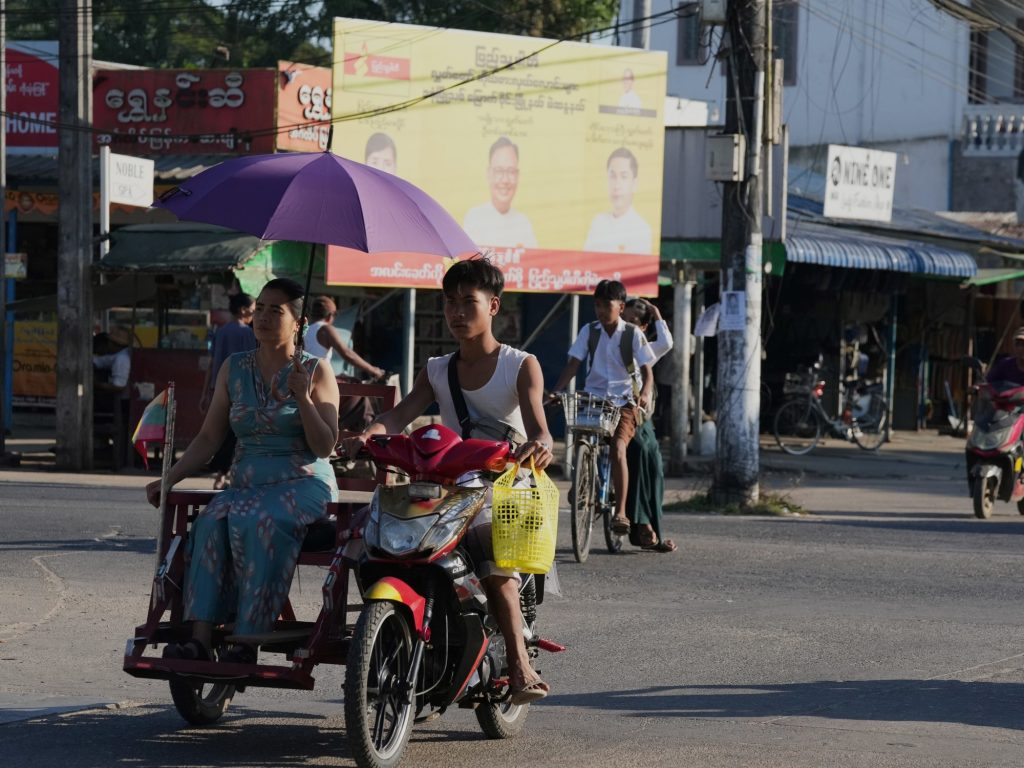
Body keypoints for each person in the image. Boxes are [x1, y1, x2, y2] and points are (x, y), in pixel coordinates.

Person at [341, 257, 554, 705]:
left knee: (495, 568)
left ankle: (519, 664)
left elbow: (539, 429)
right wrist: (369, 435)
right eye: (450, 303)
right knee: (373, 542)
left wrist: (539, 445)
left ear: (493, 306)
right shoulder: (437, 369)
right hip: (448, 485)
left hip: (504, 485)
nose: (456, 312)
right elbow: (397, 416)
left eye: (468, 302)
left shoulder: (521, 365)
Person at [147, 278, 340, 664]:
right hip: (247, 484)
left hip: (303, 483)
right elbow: (208, 438)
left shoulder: (316, 372)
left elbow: (325, 446)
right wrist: (169, 478)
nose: (264, 317)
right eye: (261, 308)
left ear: (299, 321)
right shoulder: (233, 369)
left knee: (260, 519)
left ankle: (247, 640)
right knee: (209, 522)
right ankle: (200, 637)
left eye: (277, 310)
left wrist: (302, 397)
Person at [550, 279, 655, 536]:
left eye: (606, 305)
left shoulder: (632, 334)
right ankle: (583, 479)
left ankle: (620, 512)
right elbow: (573, 364)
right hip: (594, 399)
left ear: (620, 306)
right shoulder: (590, 331)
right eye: (596, 305)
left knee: (618, 448)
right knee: (583, 437)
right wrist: (558, 389)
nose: (600, 310)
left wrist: (645, 392)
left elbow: (647, 372)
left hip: (624, 401)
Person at [621, 298, 677, 553]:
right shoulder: (607, 340)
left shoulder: (646, 351)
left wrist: (656, 313)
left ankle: (649, 524)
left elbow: (667, 342)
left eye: (634, 322)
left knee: (652, 460)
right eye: (625, 319)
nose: (627, 326)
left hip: (639, 417)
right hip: (612, 412)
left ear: (643, 327)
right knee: (641, 451)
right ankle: (641, 523)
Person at [200, 292, 257, 490]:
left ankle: (220, 474)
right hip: (241, 391)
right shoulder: (248, 333)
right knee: (236, 435)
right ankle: (229, 474)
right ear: (243, 310)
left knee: (221, 434)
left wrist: (205, 392)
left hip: (219, 389)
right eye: (253, 309)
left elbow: (211, 363)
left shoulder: (221, 331)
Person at [463, 136, 538, 249]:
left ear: (517, 175)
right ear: (489, 174)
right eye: (499, 171)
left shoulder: (524, 224)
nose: (505, 180)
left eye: (511, 171)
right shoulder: (474, 218)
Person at [583, 147, 653, 255]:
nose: (616, 185)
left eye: (624, 177)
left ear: (634, 184)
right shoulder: (597, 222)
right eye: (612, 176)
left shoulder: (642, 230)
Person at [303, 295, 385, 380]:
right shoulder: (326, 329)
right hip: (319, 379)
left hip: (305, 377)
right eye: (336, 314)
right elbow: (347, 353)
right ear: (330, 315)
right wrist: (373, 370)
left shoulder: (306, 330)